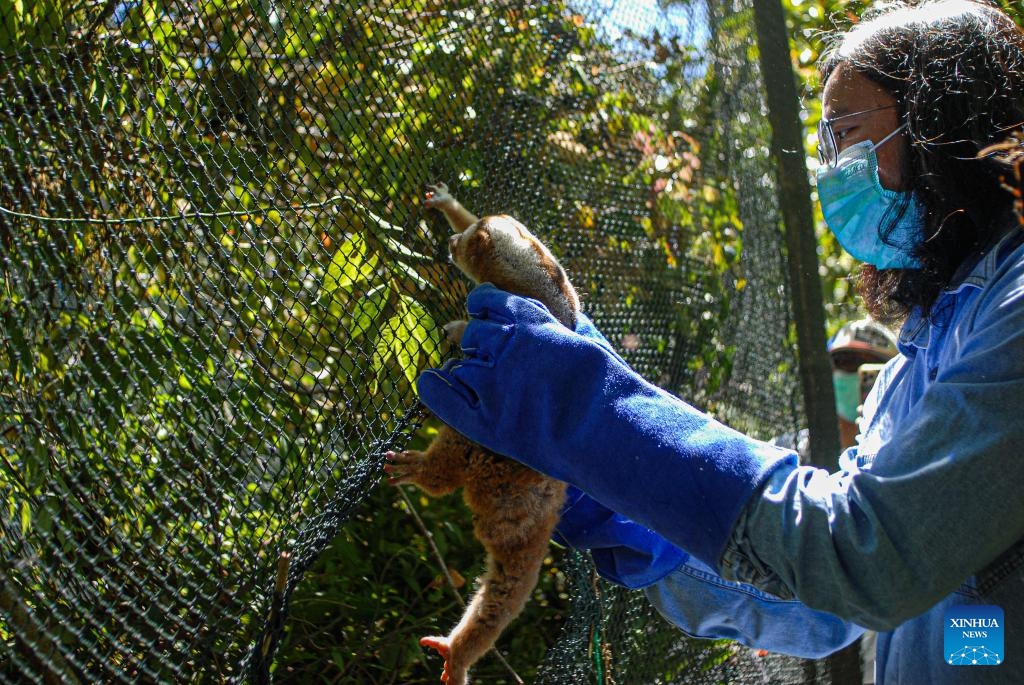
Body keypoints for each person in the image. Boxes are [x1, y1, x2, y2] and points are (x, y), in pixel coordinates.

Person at [415, 1, 1024, 683]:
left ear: (943, 131)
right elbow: (829, 606)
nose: (835, 171)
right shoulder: (929, 341)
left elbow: (869, 552)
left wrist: (598, 415)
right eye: (827, 146)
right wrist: (629, 508)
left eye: (850, 137)